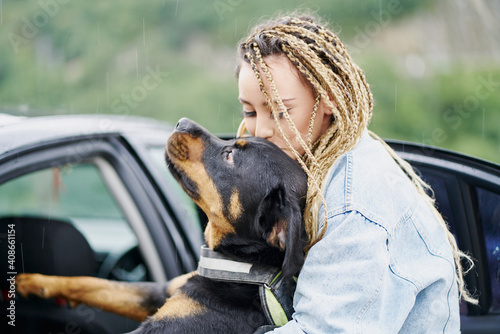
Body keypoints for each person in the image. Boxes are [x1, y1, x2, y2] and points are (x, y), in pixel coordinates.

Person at [234, 13, 477, 333]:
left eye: (280, 111)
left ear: (328, 99)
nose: (260, 130)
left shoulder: (353, 204)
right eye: (249, 111)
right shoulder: (321, 163)